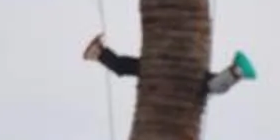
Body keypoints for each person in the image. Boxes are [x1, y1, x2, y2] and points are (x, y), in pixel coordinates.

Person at [85, 35, 256, 97]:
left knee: (127, 66)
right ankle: (98, 53)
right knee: (126, 66)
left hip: (166, 74)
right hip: (167, 73)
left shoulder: (206, 84)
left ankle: (98, 53)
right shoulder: (206, 83)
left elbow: (215, 86)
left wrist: (236, 72)